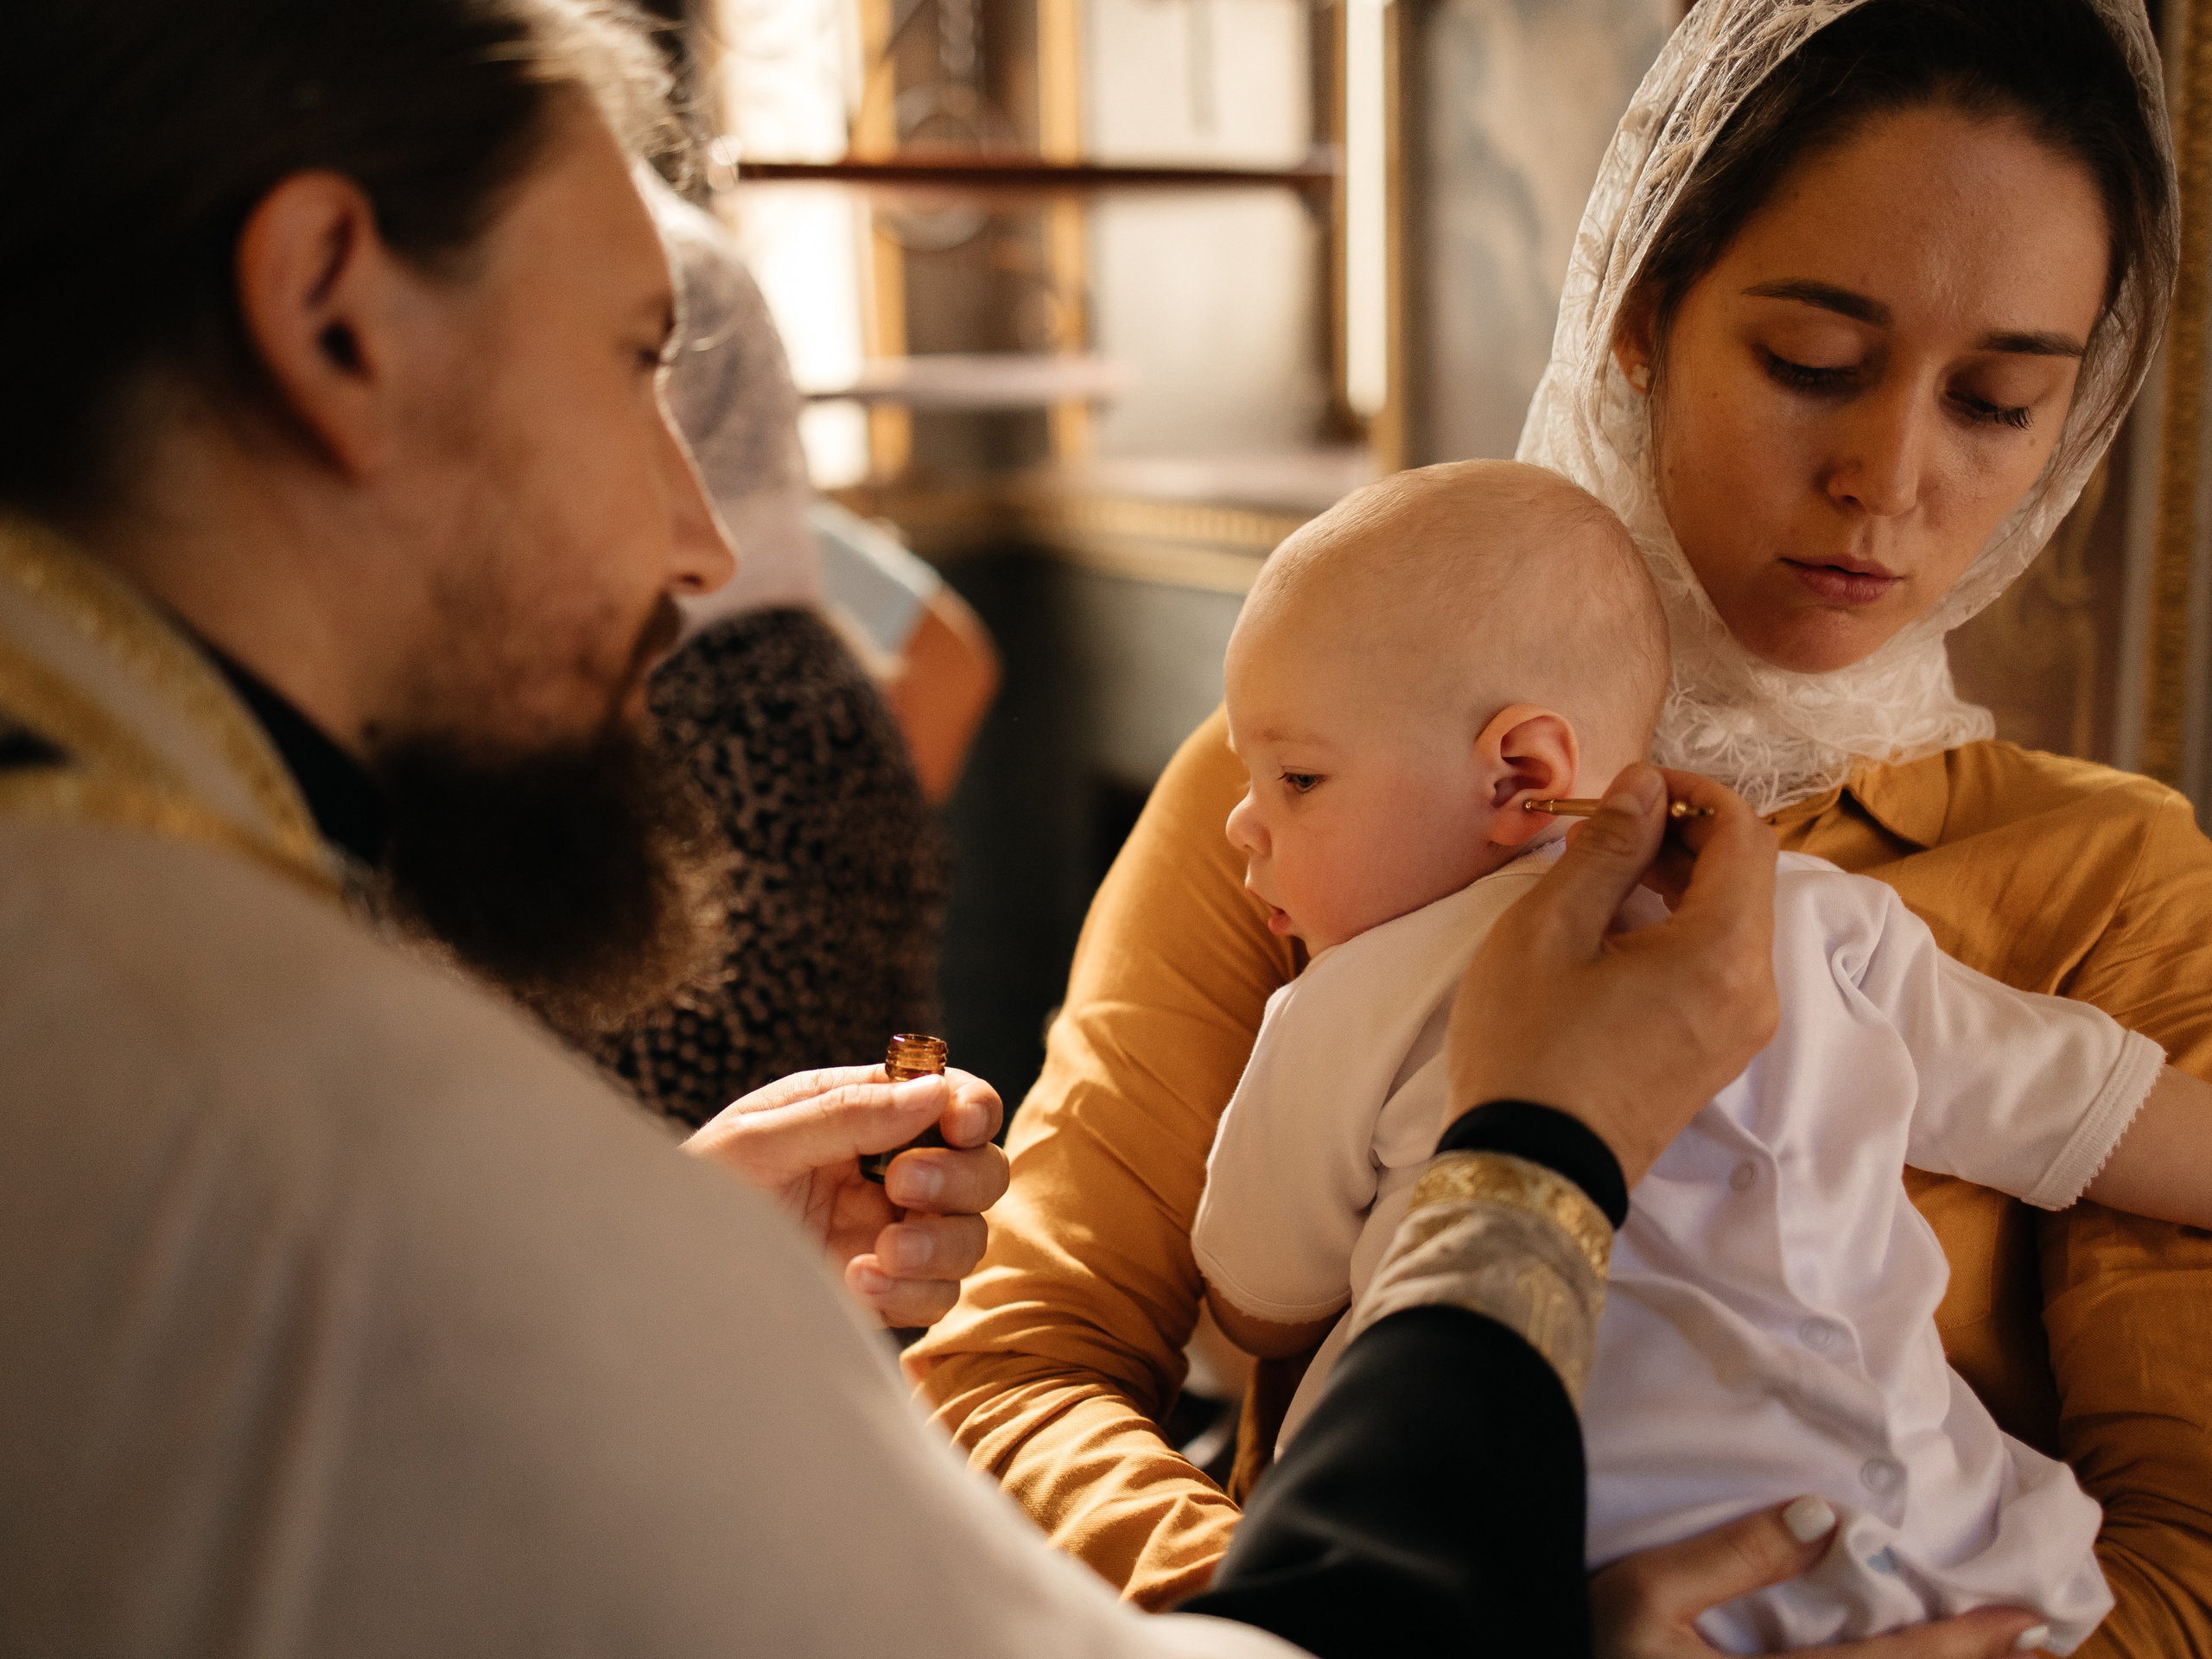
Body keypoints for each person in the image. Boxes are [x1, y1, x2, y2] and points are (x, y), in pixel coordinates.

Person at [0, 3, 1967, 1652]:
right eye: (629, 361)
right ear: (336, 314)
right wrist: (1532, 1150)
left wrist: (666, 1284)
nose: (697, 539)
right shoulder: (320, 1128)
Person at [905, 2, 2212, 1649]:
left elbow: (2193, 1537)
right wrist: (1394, 1633)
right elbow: (1019, 1370)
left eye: (2000, 400)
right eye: (1813, 365)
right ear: (1642, 316)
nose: (1887, 477)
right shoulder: (1307, 798)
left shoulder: (2109, 879)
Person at [1193, 459, 2212, 1652]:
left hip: (1558, 1561)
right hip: (1914, 1546)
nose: (1240, 822)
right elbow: (2084, 1111)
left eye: (1296, 778)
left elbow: (1260, 1301)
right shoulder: (1811, 916)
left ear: (1522, 774)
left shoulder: (1342, 1006)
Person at [575, 177, 975, 1130]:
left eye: (648, 369)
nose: (698, 547)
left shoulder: (741, 578)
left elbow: (952, 662)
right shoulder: (784, 564)